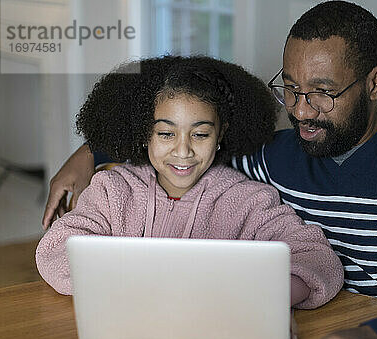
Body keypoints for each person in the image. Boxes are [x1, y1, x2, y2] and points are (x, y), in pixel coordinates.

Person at [42, 1, 377, 339]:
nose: (302, 111)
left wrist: (375, 337)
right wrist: (89, 153)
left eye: (323, 92)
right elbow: (185, 150)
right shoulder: (275, 155)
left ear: (375, 82)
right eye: (290, 89)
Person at [36, 55, 344, 313]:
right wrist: (136, 284)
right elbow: (54, 251)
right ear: (145, 133)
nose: (183, 151)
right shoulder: (112, 191)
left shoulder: (247, 201)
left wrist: (265, 300)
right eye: (166, 134)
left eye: (200, 134)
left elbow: (318, 259)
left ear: (220, 134)